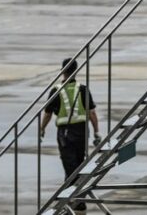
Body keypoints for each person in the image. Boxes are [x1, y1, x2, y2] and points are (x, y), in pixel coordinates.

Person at [39, 58, 101, 210]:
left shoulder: (56, 90)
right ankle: (77, 199)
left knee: (70, 165)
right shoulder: (83, 89)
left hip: (65, 133)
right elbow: (92, 112)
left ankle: (75, 200)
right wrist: (96, 132)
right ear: (76, 70)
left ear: (62, 70)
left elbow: (47, 113)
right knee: (78, 164)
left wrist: (42, 128)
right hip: (81, 131)